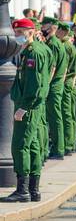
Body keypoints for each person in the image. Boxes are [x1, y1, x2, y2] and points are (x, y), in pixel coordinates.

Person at [5, 19, 53, 203]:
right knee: (32, 146)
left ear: (30, 32)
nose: (17, 36)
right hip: (34, 105)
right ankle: (33, 190)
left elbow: (34, 84)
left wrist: (23, 108)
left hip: (29, 106)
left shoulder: (33, 53)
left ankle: (22, 190)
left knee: (19, 146)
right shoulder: (35, 50)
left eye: (20, 32)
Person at [40, 18, 68, 161]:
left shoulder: (54, 44)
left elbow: (52, 67)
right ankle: (58, 148)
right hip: (56, 85)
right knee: (53, 117)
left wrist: (46, 85)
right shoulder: (54, 42)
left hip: (53, 86)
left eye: (44, 25)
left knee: (54, 117)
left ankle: (59, 149)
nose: (42, 28)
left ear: (52, 27)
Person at [58, 23, 76, 157]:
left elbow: (64, 69)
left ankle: (68, 144)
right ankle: (70, 143)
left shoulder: (65, 46)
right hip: (69, 84)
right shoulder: (69, 46)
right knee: (70, 115)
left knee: (66, 114)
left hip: (66, 84)